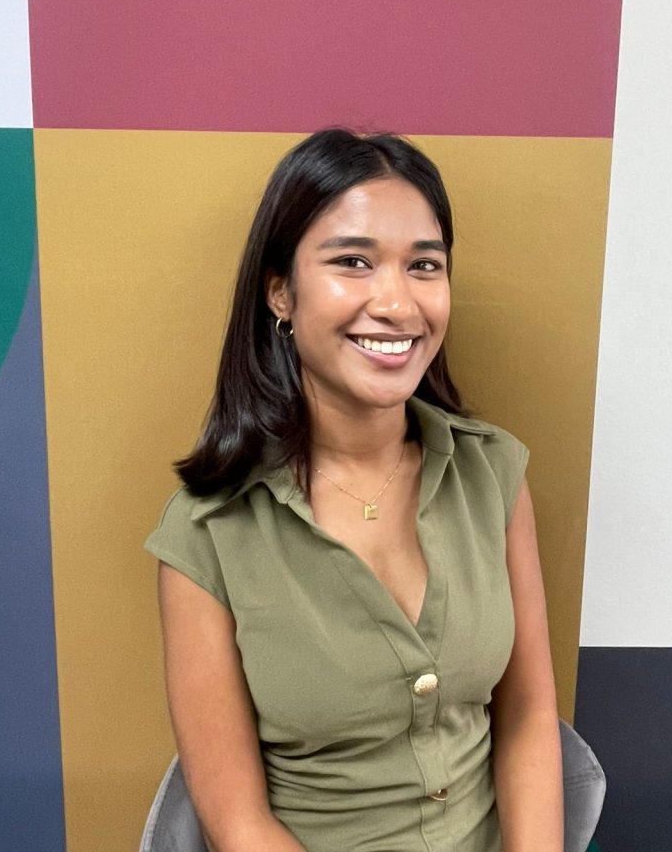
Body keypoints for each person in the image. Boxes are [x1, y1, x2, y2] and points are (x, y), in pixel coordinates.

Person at [145, 129, 563, 852]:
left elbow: (527, 718)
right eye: (353, 262)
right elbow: (237, 821)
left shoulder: (491, 474)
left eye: (424, 266)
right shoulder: (208, 531)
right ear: (280, 291)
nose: (397, 304)